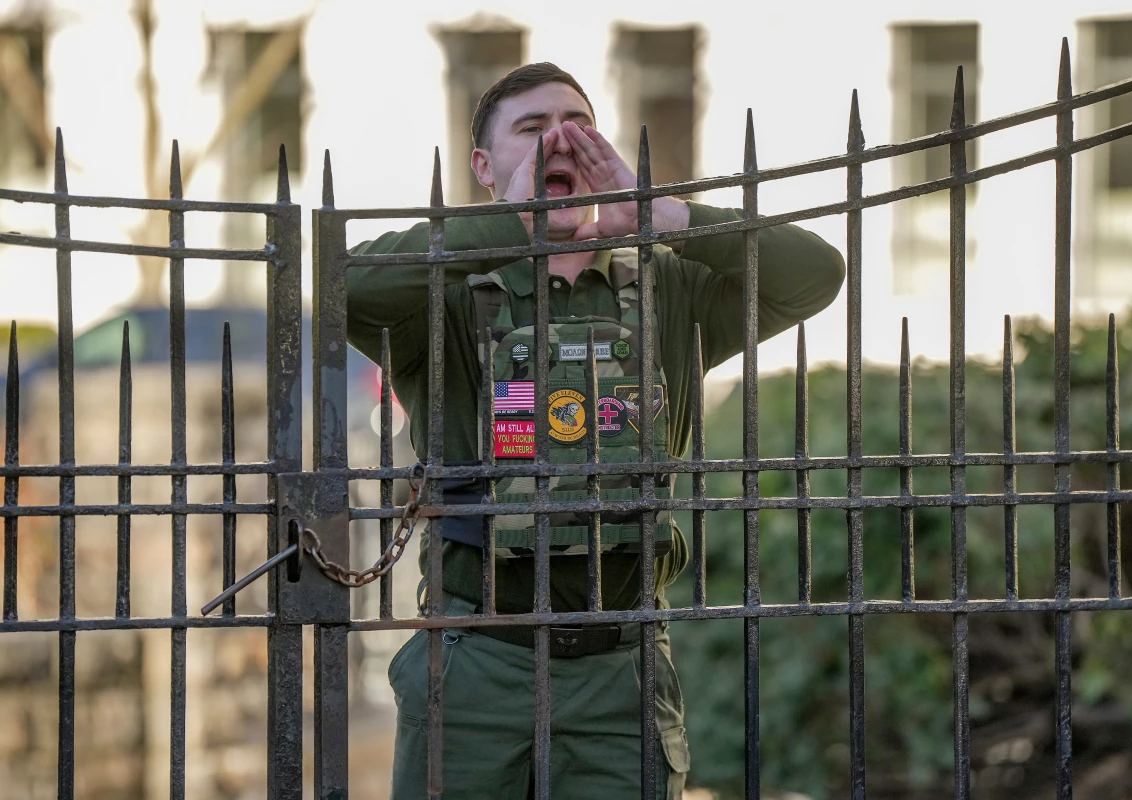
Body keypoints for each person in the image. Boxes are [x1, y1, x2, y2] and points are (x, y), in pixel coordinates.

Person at [346, 62, 845, 800]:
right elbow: (331, 289)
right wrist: (505, 226)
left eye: (575, 126)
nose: (558, 144)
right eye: (530, 129)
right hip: (476, 661)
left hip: (623, 665)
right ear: (484, 166)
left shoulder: (669, 288)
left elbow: (814, 274)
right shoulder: (442, 294)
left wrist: (657, 218)